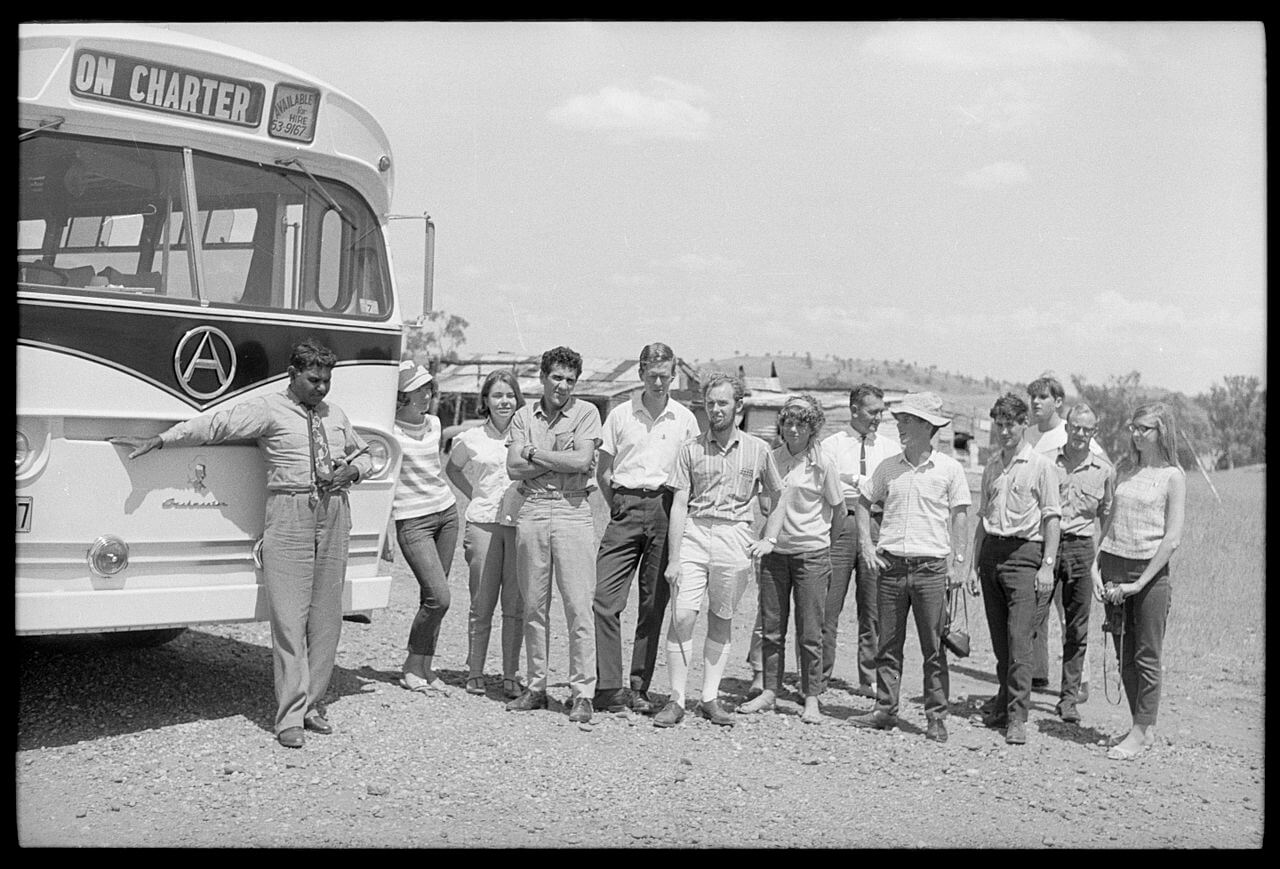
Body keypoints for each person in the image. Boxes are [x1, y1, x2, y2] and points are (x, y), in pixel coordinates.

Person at [109, 339, 372, 749]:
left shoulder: (335, 415)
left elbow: (367, 455)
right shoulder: (267, 409)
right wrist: (163, 440)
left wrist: (352, 472)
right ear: (293, 374)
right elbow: (215, 425)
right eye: (313, 380)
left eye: (326, 381)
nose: (321, 388)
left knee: (326, 618)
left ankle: (314, 705)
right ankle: (290, 717)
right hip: (289, 512)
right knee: (288, 617)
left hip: (336, 511)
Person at [652, 373, 784, 729]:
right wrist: (675, 558)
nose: (716, 410)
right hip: (695, 530)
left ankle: (709, 699)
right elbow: (679, 503)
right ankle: (676, 699)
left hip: (735, 537)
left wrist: (768, 537)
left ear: (739, 406)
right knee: (682, 615)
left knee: (721, 618)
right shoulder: (691, 448)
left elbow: (778, 493)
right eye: (710, 403)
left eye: (723, 403)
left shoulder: (758, 449)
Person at [846, 393, 971, 742]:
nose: (899, 425)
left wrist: (959, 563)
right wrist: (866, 546)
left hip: (931, 569)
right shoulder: (888, 467)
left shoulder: (949, 469)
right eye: (899, 419)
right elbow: (863, 502)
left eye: (906, 420)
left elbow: (961, 516)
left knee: (933, 647)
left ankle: (936, 717)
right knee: (888, 644)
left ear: (926, 426)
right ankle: (885, 709)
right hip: (891, 568)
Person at [592, 343, 700, 715]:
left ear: (674, 375)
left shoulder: (685, 419)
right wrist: (619, 505)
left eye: (665, 375)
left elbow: (693, 475)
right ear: (640, 374)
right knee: (605, 600)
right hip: (624, 505)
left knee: (653, 605)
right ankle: (607, 688)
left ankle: (639, 687)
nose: (658, 381)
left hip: (666, 509)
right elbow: (602, 470)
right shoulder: (621, 415)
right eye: (651, 375)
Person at [504, 346, 603, 724]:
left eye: (570, 380)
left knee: (579, 606)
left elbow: (581, 462)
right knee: (534, 605)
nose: (562, 386)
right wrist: (548, 458)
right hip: (531, 511)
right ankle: (536, 686)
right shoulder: (523, 416)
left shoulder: (586, 413)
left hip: (572, 509)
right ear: (543, 377)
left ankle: (582, 693)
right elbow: (513, 468)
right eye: (556, 377)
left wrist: (533, 452)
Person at [737, 395, 843, 724]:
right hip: (775, 554)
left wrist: (823, 541)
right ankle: (770, 690)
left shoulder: (823, 463)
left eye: (802, 423)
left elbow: (839, 511)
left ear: (813, 428)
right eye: (788, 423)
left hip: (811, 555)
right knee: (771, 628)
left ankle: (811, 697)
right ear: (781, 426)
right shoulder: (771, 458)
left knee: (811, 631)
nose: (794, 429)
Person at [967, 393, 1062, 746]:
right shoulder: (992, 466)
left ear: (1025, 424)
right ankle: (1004, 704)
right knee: (1000, 643)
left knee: (1020, 639)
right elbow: (982, 519)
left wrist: (1047, 567)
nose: (1005, 431)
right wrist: (973, 566)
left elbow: (1052, 518)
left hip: (1026, 554)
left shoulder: (1040, 466)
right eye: (1000, 424)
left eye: (1011, 424)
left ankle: (1018, 718)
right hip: (993, 552)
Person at [1093, 402, 1186, 760]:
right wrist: (1095, 564)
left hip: (1148, 574)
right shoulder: (1125, 470)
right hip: (1114, 566)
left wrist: (1139, 583)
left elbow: (1172, 538)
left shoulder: (1173, 477)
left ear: (1162, 432)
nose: (1135, 434)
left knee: (1146, 655)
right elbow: (1111, 521)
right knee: (1123, 654)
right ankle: (1139, 727)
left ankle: (1141, 730)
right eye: (1133, 427)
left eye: (1143, 428)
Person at [446, 369, 527, 699]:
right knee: (482, 602)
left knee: (515, 604)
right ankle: (475, 670)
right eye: (497, 395)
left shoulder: (526, 438)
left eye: (509, 395)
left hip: (519, 527)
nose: (504, 401)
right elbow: (452, 468)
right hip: (483, 526)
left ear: (517, 399)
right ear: (486, 401)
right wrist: (475, 493)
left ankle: (510, 674)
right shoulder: (471, 438)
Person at [1024, 373, 1104, 697]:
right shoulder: (1029, 434)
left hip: (1075, 537)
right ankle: (1036, 673)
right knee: (1036, 606)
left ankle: (1079, 682)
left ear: (1058, 402)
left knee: (1070, 612)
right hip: (1039, 533)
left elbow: (1100, 471)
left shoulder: (1073, 430)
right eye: (1033, 397)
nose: (1036, 403)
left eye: (1043, 397)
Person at [819, 384, 901, 699]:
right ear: (855, 410)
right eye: (872, 412)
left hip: (878, 526)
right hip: (842, 523)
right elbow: (822, 479)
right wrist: (848, 479)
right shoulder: (833, 445)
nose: (878, 418)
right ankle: (819, 675)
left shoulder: (890, 448)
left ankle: (870, 678)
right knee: (829, 604)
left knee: (874, 606)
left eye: (881, 411)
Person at [1039, 403, 1114, 724]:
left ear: (1094, 433)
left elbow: (1107, 513)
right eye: (1076, 427)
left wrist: (1097, 554)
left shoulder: (1104, 470)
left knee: (1077, 628)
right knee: (1029, 621)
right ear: (1067, 428)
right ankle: (1013, 696)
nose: (1080, 434)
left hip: (1082, 549)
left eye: (1087, 429)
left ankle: (1068, 698)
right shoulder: (1046, 463)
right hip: (1046, 546)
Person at [390, 360, 459, 697]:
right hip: (412, 520)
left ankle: (424, 666)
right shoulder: (389, 430)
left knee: (430, 598)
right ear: (402, 395)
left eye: (428, 388)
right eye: (418, 389)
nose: (426, 395)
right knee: (439, 598)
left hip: (446, 514)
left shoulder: (434, 423)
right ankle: (409, 665)